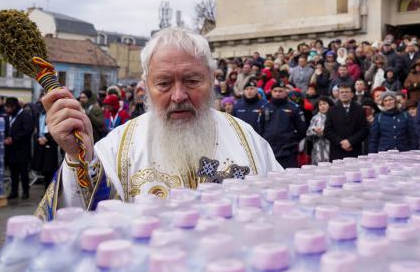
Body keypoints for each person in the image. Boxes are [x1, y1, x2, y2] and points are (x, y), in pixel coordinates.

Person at [36, 28, 281, 219]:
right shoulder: (116, 147)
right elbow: (77, 225)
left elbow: (282, 211)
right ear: (146, 87)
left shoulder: (246, 138)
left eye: (192, 81)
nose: (178, 96)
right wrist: (80, 155)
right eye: (164, 83)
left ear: (212, 79)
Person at [262, 79, 306, 168]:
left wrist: (291, 140)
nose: (277, 93)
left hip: (288, 151)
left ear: (286, 92)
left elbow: (302, 129)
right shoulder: (265, 108)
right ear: (271, 92)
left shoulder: (294, 108)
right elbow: (260, 128)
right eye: (275, 91)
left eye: (280, 91)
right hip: (269, 150)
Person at [324, 84, 369, 160]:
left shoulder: (360, 110)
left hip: (354, 150)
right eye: (342, 92)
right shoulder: (331, 110)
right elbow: (327, 131)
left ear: (352, 94)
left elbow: (364, 130)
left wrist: (350, 142)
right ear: (338, 94)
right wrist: (341, 142)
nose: (344, 94)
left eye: (347, 92)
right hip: (337, 151)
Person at [4, 97, 34, 200]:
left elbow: (28, 131)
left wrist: (14, 139)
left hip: (22, 149)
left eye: (9, 108)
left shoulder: (25, 115)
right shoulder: (8, 116)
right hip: (11, 150)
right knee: (13, 173)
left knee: (23, 172)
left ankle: (25, 191)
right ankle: (14, 191)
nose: (7, 110)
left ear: (14, 107)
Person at [32, 99, 60, 188]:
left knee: (50, 169)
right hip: (40, 143)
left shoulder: (55, 115)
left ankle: (51, 190)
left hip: (50, 144)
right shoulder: (39, 114)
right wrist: (38, 138)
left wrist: (46, 138)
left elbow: (55, 129)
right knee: (43, 169)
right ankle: (46, 189)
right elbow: (36, 129)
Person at [305, 96, 333, 164]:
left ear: (329, 104)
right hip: (318, 148)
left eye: (324, 104)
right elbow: (308, 133)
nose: (322, 106)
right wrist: (314, 130)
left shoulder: (334, 116)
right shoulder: (315, 118)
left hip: (331, 147)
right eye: (320, 105)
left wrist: (325, 132)